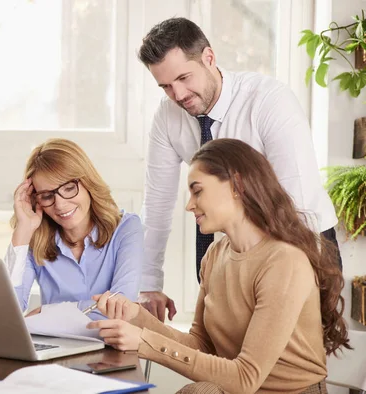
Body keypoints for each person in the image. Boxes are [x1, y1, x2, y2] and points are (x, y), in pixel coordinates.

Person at [88, 139, 350, 393]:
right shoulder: (215, 254)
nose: (189, 205)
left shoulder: (284, 261)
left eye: (197, 190)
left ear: (236, 184)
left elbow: (245, 379)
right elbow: (200, 345)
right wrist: (135, 315)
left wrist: (146, 344)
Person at [137, 17, 342, 322]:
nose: (177, 95)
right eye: (165, 86)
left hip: (300, 240)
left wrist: (282, 276)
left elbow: (297, 202)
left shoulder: (269, 101)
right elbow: (157, 203)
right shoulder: (168, 116)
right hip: (225, 248)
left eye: (184, 78)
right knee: (224, 355)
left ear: (209, 57)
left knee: (292, 360)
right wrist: (148, 283)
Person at [5, 138, 143, 320]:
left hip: (111, 345)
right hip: (56, 345)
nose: (60, 205)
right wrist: (23, 230)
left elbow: (121, 307)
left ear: (88, 183)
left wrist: (46, 313)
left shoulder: (126, 229)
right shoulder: (34, 239)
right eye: (47, 196)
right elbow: (7, 313)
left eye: (69, 188)